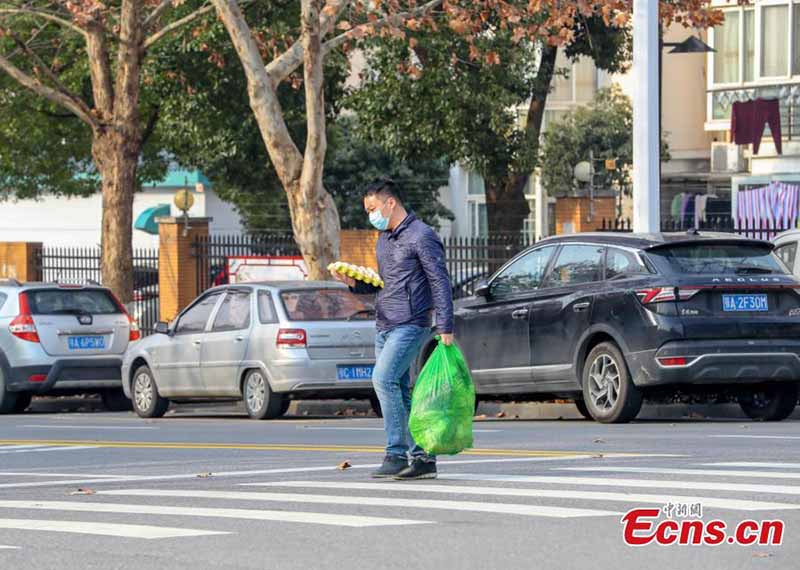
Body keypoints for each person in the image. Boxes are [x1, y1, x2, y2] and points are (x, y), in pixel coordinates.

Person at [331, 179, 454, 480]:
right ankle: (424, 458)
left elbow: (440, 281)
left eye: (372, 208)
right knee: (400, 390)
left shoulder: (421, 236)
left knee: (383, 380)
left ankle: (396, 453)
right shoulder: (384, 239)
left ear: (390, 203)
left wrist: (445, 325)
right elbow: (385, 286)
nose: (370, 215)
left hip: (412, 323)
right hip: (384, 323)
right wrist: (353, 283)